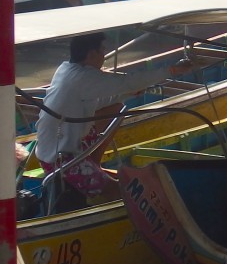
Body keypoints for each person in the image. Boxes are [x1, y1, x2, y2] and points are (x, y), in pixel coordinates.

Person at [34, 32, 192, 202]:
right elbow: (127, 81)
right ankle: (96, 183)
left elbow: (102, 100)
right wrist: (171, 70)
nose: (103, 56)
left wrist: (128, 94)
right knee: (118, 193)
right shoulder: (83, 77)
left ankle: (94, 164)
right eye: (102, 51)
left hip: (63, 143)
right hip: (59, 159)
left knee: (116, 108)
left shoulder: (66, 69)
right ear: (91, 54)